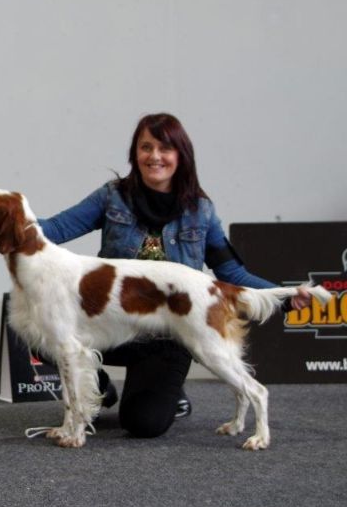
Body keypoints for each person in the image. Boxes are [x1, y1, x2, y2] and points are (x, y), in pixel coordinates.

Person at [39, 112, 311, 439]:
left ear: (181, 156)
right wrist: (6, 218)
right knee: (44, 335)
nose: (155, 156)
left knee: (144, 424)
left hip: (168, 336)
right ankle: (97, 391)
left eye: (165, 148)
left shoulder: (201, 210)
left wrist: (283, 297)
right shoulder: (112, 196)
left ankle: (169, 390)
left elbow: (230, 272)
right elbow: (55, 228)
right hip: (114, 326)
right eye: (146, 147)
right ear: (134, 154)